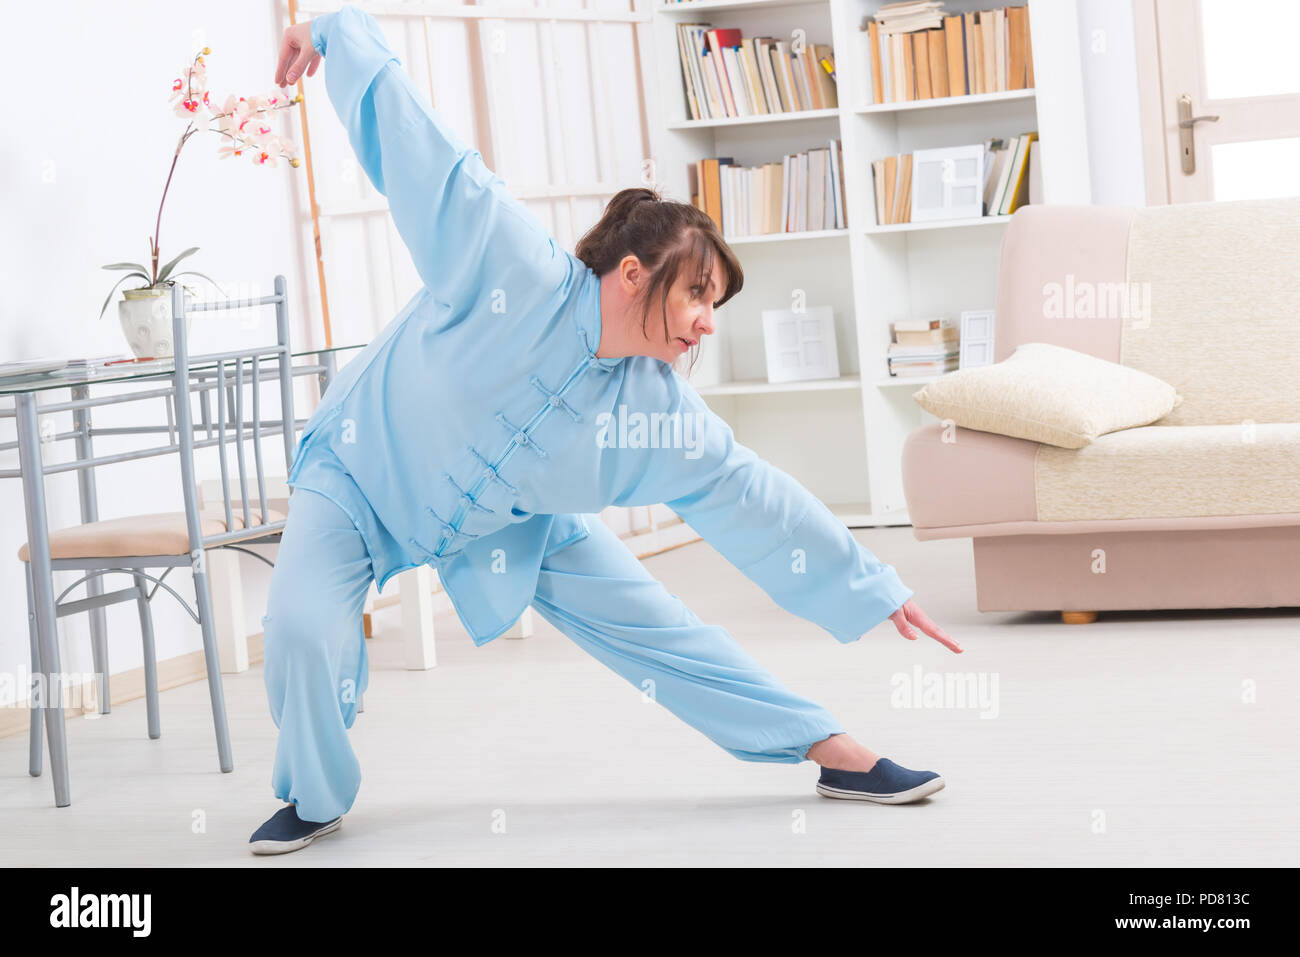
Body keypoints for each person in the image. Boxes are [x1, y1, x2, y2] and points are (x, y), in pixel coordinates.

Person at [249, 3, 962, 856]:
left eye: (715, 305)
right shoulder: (504, 258)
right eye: (697, 294)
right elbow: (419, 143)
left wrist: (873, 582)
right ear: (632, 274)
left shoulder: (654, 411)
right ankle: (317, 795)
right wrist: (333, 32)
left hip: (508, 528)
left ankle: (831, 748)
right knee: (298, 630)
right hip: (361, 476)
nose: (706, 322)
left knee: (661, 626)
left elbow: (751, 493)